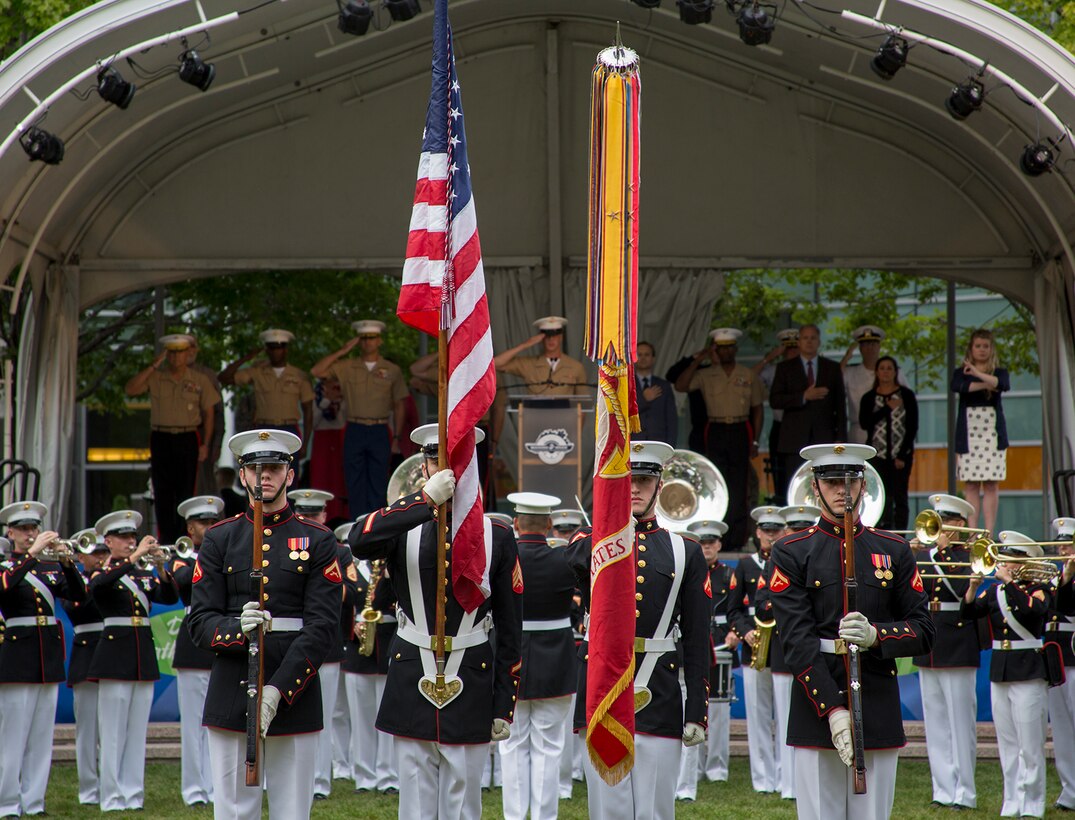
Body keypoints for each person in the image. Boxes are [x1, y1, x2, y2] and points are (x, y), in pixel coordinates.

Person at [349, 423, 523, 820]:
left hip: (471, 673)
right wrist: (421, 501)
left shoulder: (495, 533)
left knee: (464, 804)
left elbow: (511, 628)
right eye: (433, 458)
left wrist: (504, 703)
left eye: (454, 457)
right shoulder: (403, 524)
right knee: (414, 802)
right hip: (413, 670)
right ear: (423, 466)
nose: (443, 465)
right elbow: (359, 540)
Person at [768, 443, 933, 820]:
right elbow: (796, 640)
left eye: (851, 481)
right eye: (832, 482)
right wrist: (833, 709)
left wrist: (878, 635)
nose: (843, 490)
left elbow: (924, 630)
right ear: (815, 487)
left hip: (876, 699)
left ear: (864, 485)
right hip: (816, 703)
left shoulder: (892, 549)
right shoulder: (793, 551)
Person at [188, 429, 341, 820]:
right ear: (242, 476)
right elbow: (200, 622)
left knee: (293, 810)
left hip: (295, 690)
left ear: (290, 475)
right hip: (233, 688)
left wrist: (278, 689)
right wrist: (237, 629)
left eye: (273, 467)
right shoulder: (220, 539)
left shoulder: (318, 540)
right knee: (234, 811)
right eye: (255, 469)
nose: (264, 477)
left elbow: (322, 626)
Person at [565, 441, 710, 819]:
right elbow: (573, 561)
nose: (633, 488)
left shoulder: (685, 551)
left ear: (659, 486)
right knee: (606, 810)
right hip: (603, 691)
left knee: (656, 809)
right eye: (625, 479)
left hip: (658, 693)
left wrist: (696, 709)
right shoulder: (591, 541)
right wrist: (611, 529)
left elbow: (696, 638)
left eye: (643, 480)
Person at [0, 501, 87, 818]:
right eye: (23, 529)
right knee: (12, 737)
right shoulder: (7, 566)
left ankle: (33, 801)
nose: (30, 534)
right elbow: (4, 588)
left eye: (33, 528)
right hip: (16, 660)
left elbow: (80, 595)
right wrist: (31, 553)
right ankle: (7, 802)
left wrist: (66, 562)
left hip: (47, 658)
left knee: (40, 736)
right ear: (10, 532)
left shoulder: (48, 568)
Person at [89, 509, 179, 812]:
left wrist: (162, 569)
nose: (130, 541)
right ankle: (111, 796)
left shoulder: (141, 573)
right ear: (109, 541)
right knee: (113, 733)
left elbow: (167, 596)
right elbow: (98, 588)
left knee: (137, 731)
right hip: (114, 656)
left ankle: (132, 794)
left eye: (133, 537)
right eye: (124, 538)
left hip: (141, 655)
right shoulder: (103, 570)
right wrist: (134, 557)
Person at [963, 531, 1051, 819]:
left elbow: (1034, 612)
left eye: (1013, 559)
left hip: (1028, 668)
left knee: (1030, 743)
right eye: (1006, 558)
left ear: (1025, 562)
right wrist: (972, 588)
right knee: (1008, 743)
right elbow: (971, 612)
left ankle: (1033, 803)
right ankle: (1011, 800)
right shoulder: (997, 591)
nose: (1006, 563)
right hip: (1001, 669)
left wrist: (1011, 582)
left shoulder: (1039, 588)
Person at [500, 491, 576, 820]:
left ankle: (516, 816)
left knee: (512, 743)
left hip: (510, 658)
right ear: (549, 524)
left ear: (515, 523)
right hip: (555, 659)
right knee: (549, 746)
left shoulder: (502, 561)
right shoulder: (565, 560)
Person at [911, 493, 981, 811]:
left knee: (960, 722)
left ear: (960, 525)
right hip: (931, 644)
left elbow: (963, 595)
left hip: (957, 640)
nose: (940, 527)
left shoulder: (968, 557)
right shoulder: (924, 557)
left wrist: (941, 553)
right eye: (937, 521)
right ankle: (942, 788)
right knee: (935, 722)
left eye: (947, 521)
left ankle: (965, 791)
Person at [124, 333, 222, 542]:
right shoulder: (157, 377)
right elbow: (131, 389)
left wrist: (205, 443)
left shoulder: (199, 380)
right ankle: (167, 540)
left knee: (186, 490)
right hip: (161, 437)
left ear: (189, 354)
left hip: (188, 437)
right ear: (167, 355)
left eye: (181, 352)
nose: (177, 357)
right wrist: (153, 365)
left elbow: (209, 412)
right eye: (173, 353)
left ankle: (184, 539)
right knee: (162, 492)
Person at [674, 328, 764, 548]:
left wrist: (755, 441)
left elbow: (758, 409)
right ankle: (717, 535)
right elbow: (680, 385)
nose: (726, 352)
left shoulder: (747, 374)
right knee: (716, 483)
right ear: (716, 350)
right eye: (721, 349)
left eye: (729, 348)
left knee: (739, 485)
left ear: (735, 349)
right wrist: (699, 360)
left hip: (740, 429)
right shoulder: (706, 374)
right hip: (715, 430)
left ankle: (738, 537)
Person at [312, 320, 408, 518]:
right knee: (354, 482)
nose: (367, 342)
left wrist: (397, 438)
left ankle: (375, 528)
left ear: (379, 340)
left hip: (380, 429)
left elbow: (400, 404)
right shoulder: (347, 366)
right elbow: (316, 371)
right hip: (354, 428)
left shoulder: (392, 369)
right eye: (363, 338)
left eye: (372, 338)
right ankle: (356, 528)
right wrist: (344, 350)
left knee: (378, 482)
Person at [728, 505, 787, 795]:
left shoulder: (789, 561)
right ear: (758, 533)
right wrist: (745, 632)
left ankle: (785, 777)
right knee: (757, 714)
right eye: (767, 530)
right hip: (754, 646)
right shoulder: (746, 564)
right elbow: (733, 609)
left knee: (786, 715)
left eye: (776, 530)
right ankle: (763, 779)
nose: (771, 535)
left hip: (782, 646)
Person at [171, 495, 225, 808]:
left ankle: (217, 786)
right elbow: (181, 580)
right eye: (204, 523)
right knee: (193, 724)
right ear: (191, 530)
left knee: (219, 721)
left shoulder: (226, 554)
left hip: (221, 637)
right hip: (193, 641)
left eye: (214, 522)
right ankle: (194, 789)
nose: (210, 527)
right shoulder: (184, 558)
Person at [340, 520, 399, 794]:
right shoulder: (349, 570)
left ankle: (389, 776)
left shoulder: (391, 568)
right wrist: (351, 624)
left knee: (388, 717)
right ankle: (364, 776)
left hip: (387, 642)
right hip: (358, 648)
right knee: (361, 717)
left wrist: (389, 574)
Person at [680, 520, 737, 792]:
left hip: (719, 641)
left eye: (711, 542)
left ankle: (716, 767)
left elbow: (736, 607)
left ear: (719, 544)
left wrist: (734, 633)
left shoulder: (727, 575)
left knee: (717, 710)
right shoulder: (685, 570)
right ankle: (693, 769)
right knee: (690, 709)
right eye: (702, 542)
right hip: (692, 642)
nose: (707, 547)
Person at [769, 325, 847, 494]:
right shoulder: (785, 368)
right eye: (805, 338)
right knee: (795, 486)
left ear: (819, 341)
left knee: (826, 485)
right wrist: (803, 396)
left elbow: (840, 405)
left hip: (824, 438)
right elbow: (775, 400)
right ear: (799, 342)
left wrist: (840, 438)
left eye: (813, 338)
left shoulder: (831, 368)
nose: (809, 342)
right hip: (794, 439)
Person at [65, 528, 110, 807]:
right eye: (95, 553)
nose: (101, 558)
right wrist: (97, 579)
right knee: (88, 731)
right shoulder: (76, 582)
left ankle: (109, 784)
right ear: (81, 556)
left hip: (112, 653)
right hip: (86, 654)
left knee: (110, 729)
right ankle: (88, 789)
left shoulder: (113, 579)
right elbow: (76, 607)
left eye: (105, 552)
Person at [218, 328, 315, 456]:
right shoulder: (257, 372)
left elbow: (308, 411)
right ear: (267, 350)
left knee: (289, 472)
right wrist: (246, 358)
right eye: (271, 348)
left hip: (289, 428)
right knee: (263, 470)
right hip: (264, 428)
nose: (275, 352)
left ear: (285, 350)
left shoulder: (299, 375)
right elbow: (224, 378)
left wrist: (305, 443)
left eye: (278, 348)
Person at [951, 328, 1010, 534]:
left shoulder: (999, 371)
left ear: (991, 348)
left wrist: (976, 375)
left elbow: (1002, 384)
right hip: (968, 434)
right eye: (978, 346)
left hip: (993, 434)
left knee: (992, 484)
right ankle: (974, 532)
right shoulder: (960, 372)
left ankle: (989, 532)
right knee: (971, 485)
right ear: (971, 348)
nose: (982, 350)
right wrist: (986, 383)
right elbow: (961, 387)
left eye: (985, 346)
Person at [859, 356, 918, 531]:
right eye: (882, 368)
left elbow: (912, 427)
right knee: (881, 496)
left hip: (900, 456)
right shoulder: (869, 397)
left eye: (889, 368)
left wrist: (902, 455)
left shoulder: (906, 395)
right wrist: (887, 408)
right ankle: (881, 531)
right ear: (877, 372)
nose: (886, 371)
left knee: (900, 496)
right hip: (876, 456)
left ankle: (900, 534)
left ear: (895, 371)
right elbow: (865, 423)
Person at [841, 326, 907, 445]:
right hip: (860, 433)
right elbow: (834, 383)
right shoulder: (850, 372)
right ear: (860, 348)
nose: (870, 348)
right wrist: (846, 358)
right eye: (865, 344)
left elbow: (906, 401)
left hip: (891, 431)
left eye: (873, 344)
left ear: (879, 346)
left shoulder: (896, 372)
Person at [756, 329, 801, 503]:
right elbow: (750, 378)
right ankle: (782, 502)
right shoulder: (774, 369)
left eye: (795, 348)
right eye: (788, 349)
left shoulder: (805, 369)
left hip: (800, 427)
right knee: (779, 470)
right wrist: (770, 357)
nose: (792, 353)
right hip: (780, 425)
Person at [494, 316, 588, 395]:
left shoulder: (576, 367)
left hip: (566, 416)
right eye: (547, 335)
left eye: (554, 335)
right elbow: (495, 364)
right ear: (540, 338)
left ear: (561, 337)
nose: (551, 339)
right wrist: (524, 345)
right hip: (535, 416)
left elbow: (583, 403)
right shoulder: (529, 364)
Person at [1052, 516, 1075, 812]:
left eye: (1068, 546)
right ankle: (1069, 790)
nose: (1063, 553)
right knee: (1061, 728)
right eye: (1061, 547)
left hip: (1073, 654)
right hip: (1054, 656)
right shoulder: (1054, 575)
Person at [308, 375, 349, 521]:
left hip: (339, 438)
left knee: (339, 480)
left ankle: (340, 516)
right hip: (322, 440)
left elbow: (344, 419)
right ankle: (319, 517)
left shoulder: (343, 395)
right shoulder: (316, 395)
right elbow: (313, 422)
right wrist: (326, 401)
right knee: (321, 478)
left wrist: (338, 400)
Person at [635, 341, 678, 446]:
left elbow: (671, 420)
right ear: (633, 359)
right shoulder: (627, 386)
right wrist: (643, 399)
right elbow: (621, 416)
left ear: (653, 358)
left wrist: (670, 447)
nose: (643, 358)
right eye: (639, 355)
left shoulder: (664, 386)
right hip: (633, 443)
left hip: (658, 443)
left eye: (647, 354)